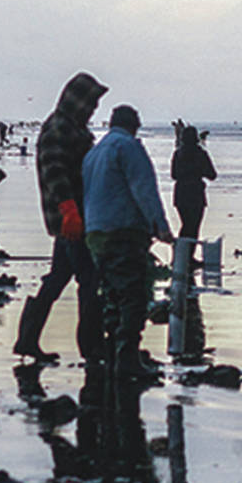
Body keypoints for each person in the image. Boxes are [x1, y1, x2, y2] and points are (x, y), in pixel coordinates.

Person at [12, 72, 110, 363]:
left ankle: (27, 340)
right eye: (90, 104)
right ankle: (92, 346)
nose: (93, 110)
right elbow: (54, 171)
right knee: (89, 281)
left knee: (56, 280)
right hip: (71, 220)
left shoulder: (72, 127)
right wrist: (69, 210)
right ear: (77, 101)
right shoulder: (59, 128)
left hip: (74, 219)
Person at [82, 105, 174, 382]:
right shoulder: (129, 147)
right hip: (123, 230)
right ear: (135, 125)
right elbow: (143, 190)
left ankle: (113, 352)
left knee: (111, 295)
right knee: (133, 297)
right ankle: (127, 358)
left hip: (96, 233)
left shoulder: (94, 153)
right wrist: (161, 228)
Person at [170, 124, 217, 240]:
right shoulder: (201, 154)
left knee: (186, 226)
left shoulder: (177, 154)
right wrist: (199, 172)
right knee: (194, 227)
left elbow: (174, 175)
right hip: (196, 193)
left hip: (180, 193)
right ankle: (188, 255)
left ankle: (181, 254)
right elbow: (212, 175)